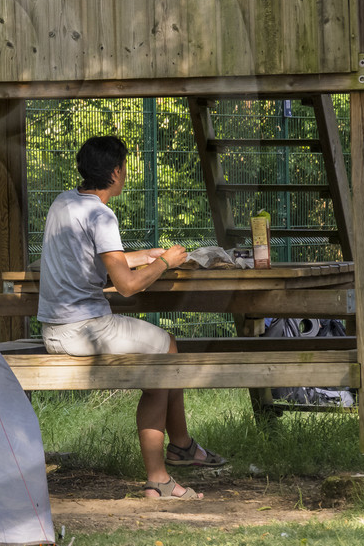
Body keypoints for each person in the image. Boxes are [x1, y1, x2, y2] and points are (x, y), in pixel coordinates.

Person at [38, 134, 227, 499]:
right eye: (124, 168)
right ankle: (162, 474)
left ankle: (182, 447)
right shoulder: (101, 214)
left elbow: (103, 258)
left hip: (54, 328)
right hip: (84, 329)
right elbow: (125, 286)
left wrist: (148, 254)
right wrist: (164, 262)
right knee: (165, 354)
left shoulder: (63, 203)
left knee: (165, 353)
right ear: (115, 173)